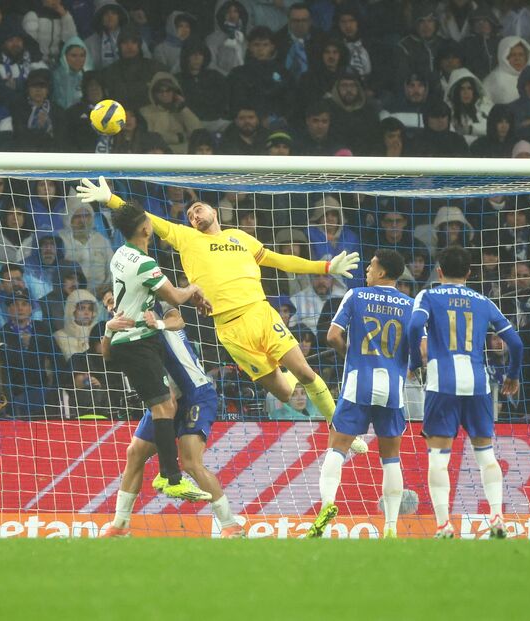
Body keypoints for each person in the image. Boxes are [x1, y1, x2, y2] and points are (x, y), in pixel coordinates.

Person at [75, 177, 367, 454]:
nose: (194, 214)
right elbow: (148, 219)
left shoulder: (239, 237)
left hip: (260, 313)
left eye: (198, 208)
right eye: (190, 214)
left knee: (306, 374)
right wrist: (110, 199)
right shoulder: (187, 238)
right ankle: (289, 375)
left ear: (214, 211)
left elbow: (279, 260)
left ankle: (341, 428)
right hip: (230, 330)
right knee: (283, 391)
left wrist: (324, 267)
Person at [407, 246, 523, 539]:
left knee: (438, 458)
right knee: (485, 454)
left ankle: (444, 525)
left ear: (439, 271)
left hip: (441, 384)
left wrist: (415, 363)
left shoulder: (428, 295)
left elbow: (414, 327)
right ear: (469, 273)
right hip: (478, 385)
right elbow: (516, 343)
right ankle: (497, 518)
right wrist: (513, 374)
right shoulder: (483, 301)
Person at [100, 301, 243, 538]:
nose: (112, 305)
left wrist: (158, 323)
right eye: (107, 303)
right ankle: (120, 525)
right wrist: (108, 329)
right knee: (134, 453)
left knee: (190, 462)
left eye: (112, 299)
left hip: (196, 393)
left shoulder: (154, 303)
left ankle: (231, 526)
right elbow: (106, 355)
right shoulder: (121, 328)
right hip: (164, 399)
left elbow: (178, 320)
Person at [103, 198, 212, 501]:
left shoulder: (120, 254)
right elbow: (175, 297)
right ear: (146, 229)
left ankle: (167, 475)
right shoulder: (145, 264)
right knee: (163, 408)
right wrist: (194, 288)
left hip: (133, 340)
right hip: (136, 342)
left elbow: (150, 293)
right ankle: (172, 479)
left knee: (168, 404)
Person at [309, 250, 413, 539]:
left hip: (358, 382)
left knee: (337, 447)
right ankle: (390, 527)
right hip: (392, 389)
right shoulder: (410, 305)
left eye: (371, 266)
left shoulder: (355, 296)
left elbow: (332, 335)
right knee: (391, 457)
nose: (367, 269)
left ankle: (327, 506)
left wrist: (349, 354)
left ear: (381, 272)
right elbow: (422, 350)